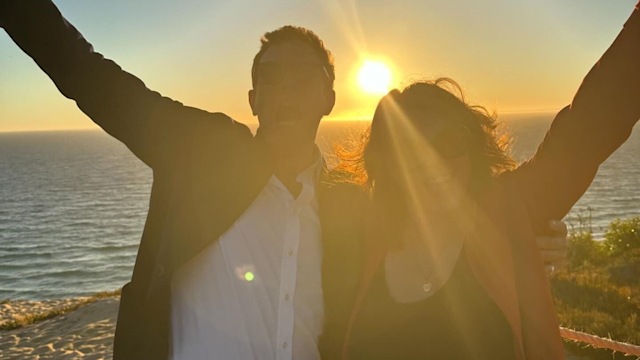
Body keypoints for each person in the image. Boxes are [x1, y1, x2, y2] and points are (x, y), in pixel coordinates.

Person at [0, 1, 569, 359]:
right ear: (253, 99)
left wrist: (531, 236)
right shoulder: (198, 153)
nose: (289, 90)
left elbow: (432, 223)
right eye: (272, 78)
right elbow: (87, 75)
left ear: (329, 97)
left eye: (306, 78)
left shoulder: (351, 207)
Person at [320, 3, 640, 360]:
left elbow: (595, 119)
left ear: (472, 147)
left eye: (450, 141)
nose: (432, 160)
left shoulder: (510, 209)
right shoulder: (360, 236)